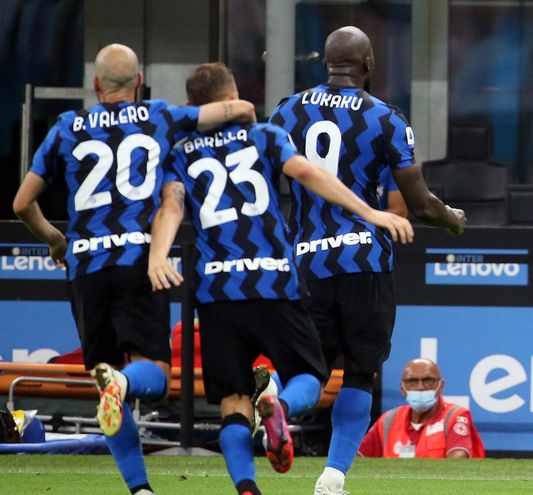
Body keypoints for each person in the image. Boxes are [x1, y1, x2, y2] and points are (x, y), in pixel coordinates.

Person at [147, 63, 413, 495]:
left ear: (193, 104)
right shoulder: (265, 136)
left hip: (216, 290)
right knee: (316, 374)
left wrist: (158, 256)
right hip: (274, 280)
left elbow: (171, 207)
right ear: (233, 96)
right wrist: (369, 212)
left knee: (233, 402)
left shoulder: (180, 153)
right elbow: (308, 173)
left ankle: (248, 487)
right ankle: (284, 410)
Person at [12, 44, 255, 495]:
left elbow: (22, 202)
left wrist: (55, 239)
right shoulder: (158, 116)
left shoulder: (66, 127)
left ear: (96, 84)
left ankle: (139, 488)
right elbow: (233, 109)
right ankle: (123, 382)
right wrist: (239, 114)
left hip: (86, 266)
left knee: (106, 383)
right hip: (137, 261)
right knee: (153, 376)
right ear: (139, 82)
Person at [268, 26, 466, 495]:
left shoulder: (286, 111)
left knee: (308, 371)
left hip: (306, 263)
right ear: (369, 64)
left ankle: (278, 401)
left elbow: (264, 184)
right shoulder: (385, 118)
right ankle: (332, 478)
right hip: (364, 261)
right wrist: (453, 219)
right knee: (360, 371)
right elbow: (419, 204)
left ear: (326, 63)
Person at [358, 358, 484, 459]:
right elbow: (357, 459)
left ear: (441, 386)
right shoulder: (388, 420)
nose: (420, 387)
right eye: (412, 381)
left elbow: (457, 461)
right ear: (402, 388)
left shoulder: (455, 416)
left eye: (428, 380)